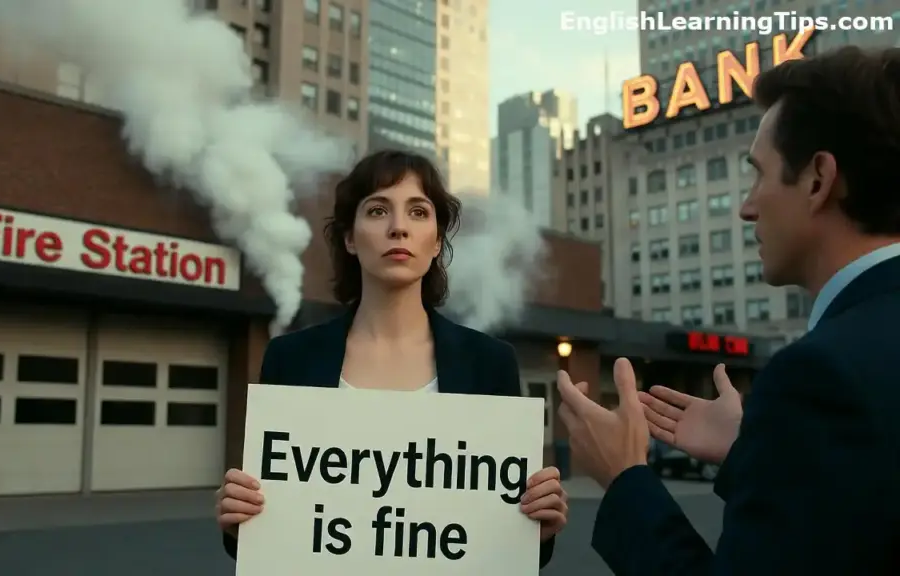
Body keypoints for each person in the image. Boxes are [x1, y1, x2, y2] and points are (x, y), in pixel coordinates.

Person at [557, 45, 900, 575]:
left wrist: (625, 475)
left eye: (759, 174)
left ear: (818, 179)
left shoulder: (820, 376)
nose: (746, 206)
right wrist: (759, 450)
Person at [215, 149, 566, 568]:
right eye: (378, 210)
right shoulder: (290, 359)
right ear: (349, 237)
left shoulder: (490, 363)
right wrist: (239, 521)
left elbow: (505, 544)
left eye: (418, 212)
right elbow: (272, 536)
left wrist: (538, 527)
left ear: (437, 241)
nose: (398, 227)